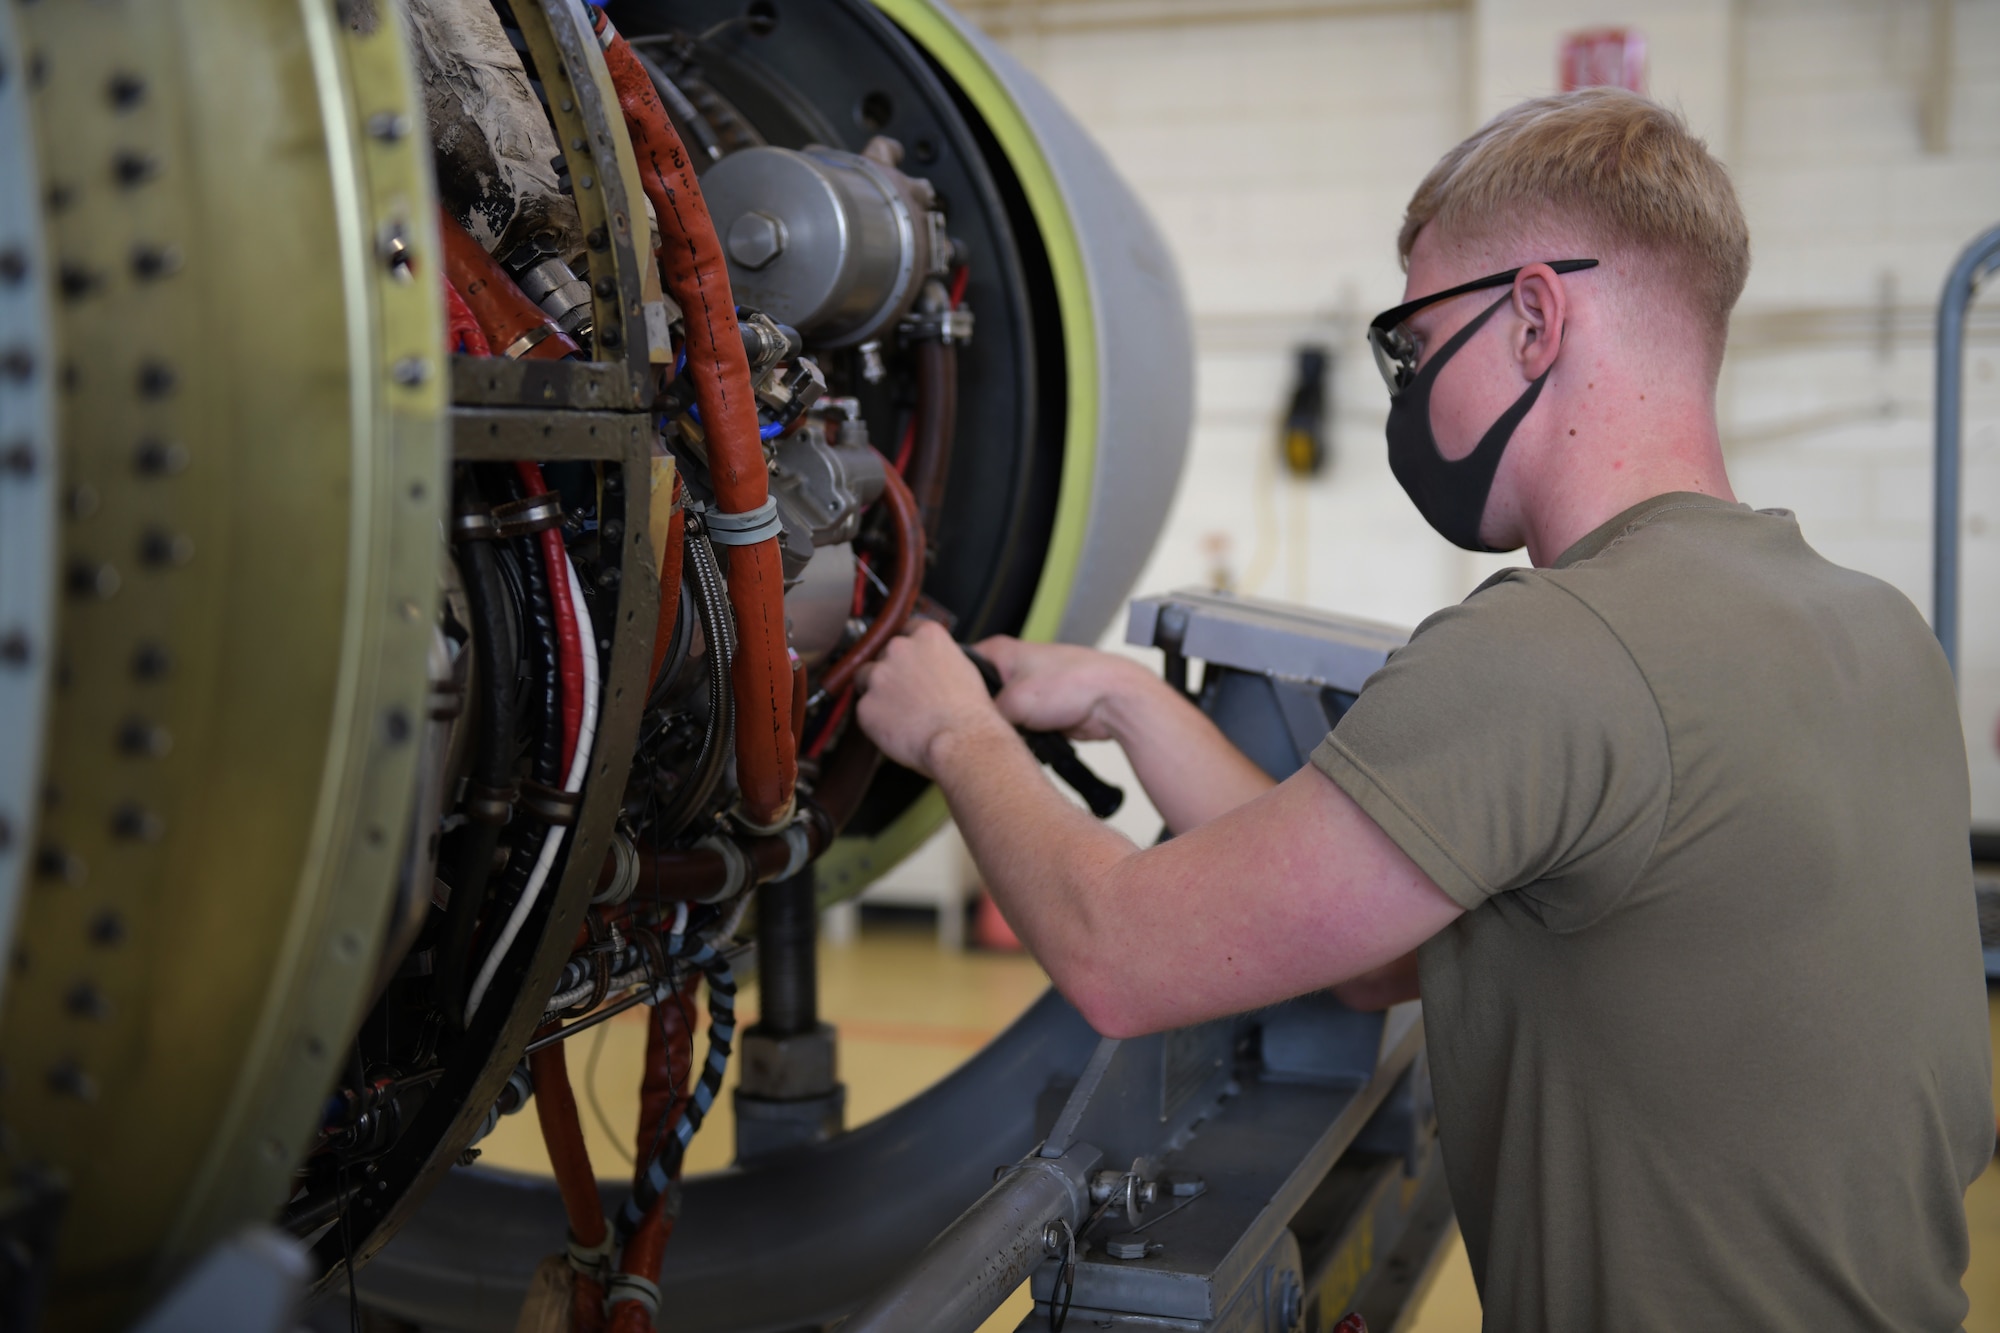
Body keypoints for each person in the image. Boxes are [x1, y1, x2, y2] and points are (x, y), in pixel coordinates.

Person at [854, 87, 1993, 1329]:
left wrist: (950, 729)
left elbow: (1122, 957)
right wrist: (1129, 702)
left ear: (1532, 318)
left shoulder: (1553, 649)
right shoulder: (1873, 627)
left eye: (1410, 343)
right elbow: (1377, 944)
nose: (1405, 391)